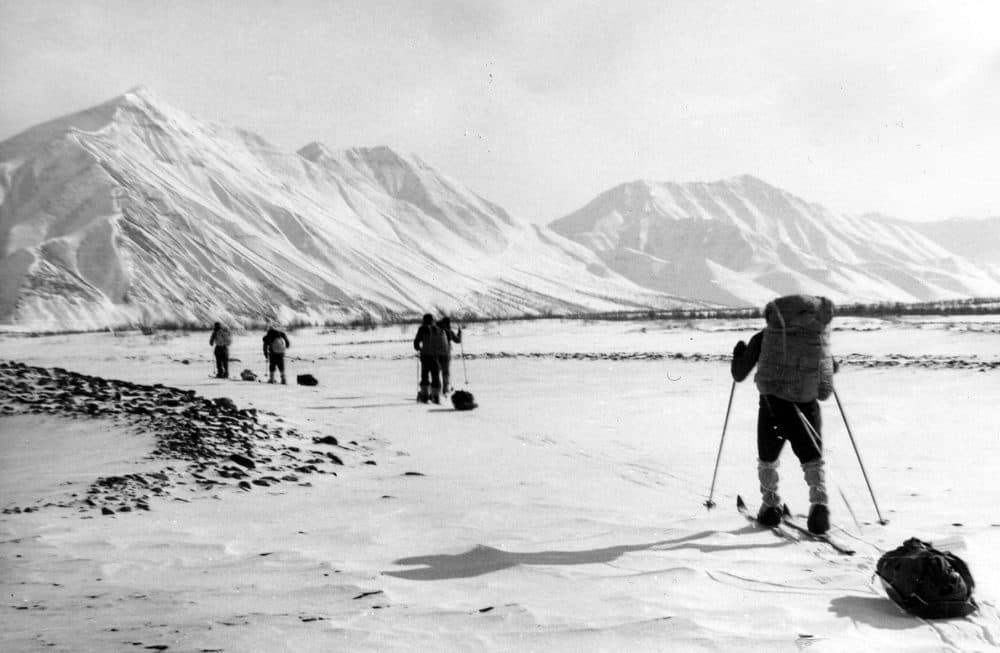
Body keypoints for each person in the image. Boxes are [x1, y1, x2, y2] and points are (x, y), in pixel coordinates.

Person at [730, 294, 836, 535]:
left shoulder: (765, 338)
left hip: (772, 407)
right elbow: (827, 383)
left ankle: (770, 507)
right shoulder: (816, 339)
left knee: (768, 459)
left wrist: (738, 354)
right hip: (807, 408)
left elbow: (739, 374)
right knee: (812, 460)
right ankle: (819, 507)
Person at [412, 314, 445, 403]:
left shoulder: (422, 328)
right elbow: (443, 342)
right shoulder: (438, 329)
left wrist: (418, 348)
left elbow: (417, 341)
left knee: (425, 375)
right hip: (436, 356)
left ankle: (425, 396)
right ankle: (436, 396)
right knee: (435, 376)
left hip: (425, 355)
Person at [436, 317, 462, 395]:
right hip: (446, 354)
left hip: (436, 354)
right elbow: (458, 340)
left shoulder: (435, 331)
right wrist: (459, 333)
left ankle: (436, 389)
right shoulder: (449, 331)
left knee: (436, 372)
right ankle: (445, 389)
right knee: (446, 372)